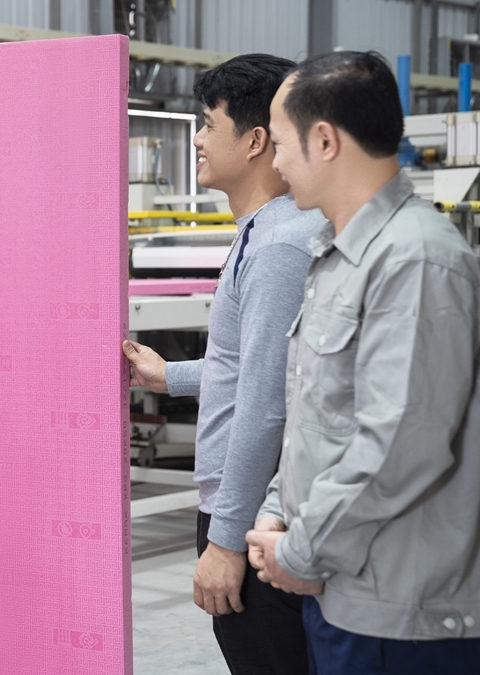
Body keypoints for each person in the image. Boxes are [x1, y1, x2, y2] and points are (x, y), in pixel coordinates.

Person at [246, 51, 480, 673]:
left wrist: (299, 551)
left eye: (281, 144)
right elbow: (317, 415)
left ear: (324, 140)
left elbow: (400, 445)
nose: (275, 163)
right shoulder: (337, 256)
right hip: (340, 587)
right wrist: (277, 509)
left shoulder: (415, 260)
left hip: (397, 614)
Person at [121, 54, 323, 674]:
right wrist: (169, 376)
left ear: (256, 140)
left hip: (258, 515)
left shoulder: (281, 244)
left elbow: (266, 404)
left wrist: (227, 539)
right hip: (250, 506)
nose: (197, 140)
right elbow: (249, 369)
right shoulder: (261, 231)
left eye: (208, 124)